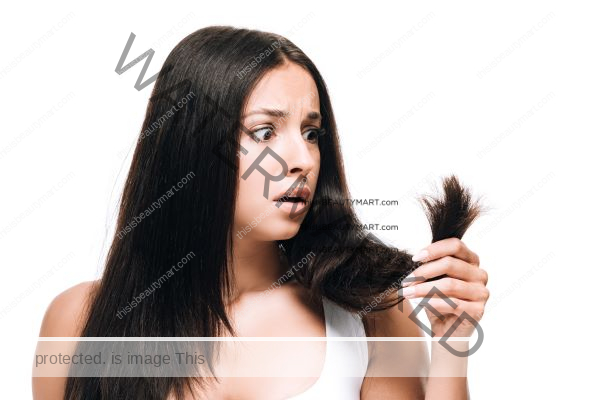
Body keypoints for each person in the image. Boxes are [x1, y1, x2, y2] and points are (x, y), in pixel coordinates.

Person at [33, 26, 489, 399]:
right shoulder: (79, 322)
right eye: (265, 131)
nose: (304, 160)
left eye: (312, 133)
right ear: (193, 146)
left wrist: (452, 341)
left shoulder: (368, 308)